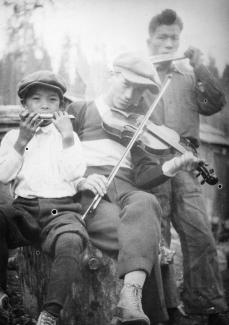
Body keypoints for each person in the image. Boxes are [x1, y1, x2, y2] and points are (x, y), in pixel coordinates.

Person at [67, 52, 204, 325]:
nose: (131, 95)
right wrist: (79, 180)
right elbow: (58, 156)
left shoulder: (138, 128)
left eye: (140, 90)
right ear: (111, 76)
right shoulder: (79, 110)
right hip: (93, 193)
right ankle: (159, 315)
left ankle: (130, 301)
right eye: (126, 84)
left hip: (128, 191)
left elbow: (143, 178)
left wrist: (172, 166)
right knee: (144, 240)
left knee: (146, 200)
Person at [139, 8, 228, 325]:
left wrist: (200, 65)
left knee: (200, 234)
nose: (168, 43)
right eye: (162, 37)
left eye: (173, 38)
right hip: (151, 161)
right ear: (150, 39)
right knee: (158, 238)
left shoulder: (190, 75)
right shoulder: (140, 74)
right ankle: (167, 310)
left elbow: (214, 103)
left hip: (187, 161)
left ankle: (207, 306)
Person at [0, 70, 88, 325]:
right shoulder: (13, 137)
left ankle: (49, 312)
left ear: (61, 106)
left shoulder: (67, 136)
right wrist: (22, 141)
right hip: (24, 210)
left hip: (60, 211)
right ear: (24, 105)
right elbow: (4, 176)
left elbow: (75, 173)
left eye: (52, 100)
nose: (44, 106)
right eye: (36, 99)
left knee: (71, 241)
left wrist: (68, 136)